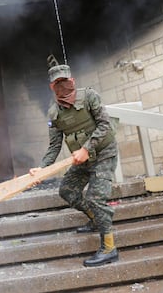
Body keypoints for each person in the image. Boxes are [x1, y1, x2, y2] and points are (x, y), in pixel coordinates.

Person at [29, 56, 119, 267]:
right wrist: (42, 169)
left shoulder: (89, 97)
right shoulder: (54, 113)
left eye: (65, 81)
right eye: (57, 83)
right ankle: (96, 219)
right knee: (67, 191)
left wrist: (87, 148)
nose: (62, 85)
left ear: (73, 80)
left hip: (104, 153)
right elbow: (54, 146)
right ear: (52, 86)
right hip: (82, 161)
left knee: (96, 198)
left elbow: (105, 124)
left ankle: (109, 248)